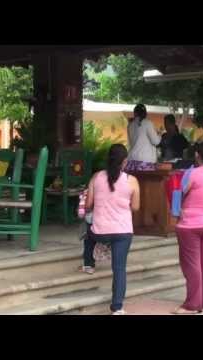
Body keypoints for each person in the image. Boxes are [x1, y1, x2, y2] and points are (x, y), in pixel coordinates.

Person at [82, 144, 140, 315]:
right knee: (119, 269)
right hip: (123, 232)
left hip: (101, 231)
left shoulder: (96, 177)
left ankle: (89, 263)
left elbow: (88, 205)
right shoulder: (132, 181)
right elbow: (135, 207)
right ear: (125, 162)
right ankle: (117, 308)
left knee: (88, 233)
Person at [173, 142, 203, 314]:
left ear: (197, 155)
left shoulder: (191, 173)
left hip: (190, 225)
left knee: (191, 265)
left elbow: (179, 193)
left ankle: (193, 305)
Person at [126, 104, 161, 171]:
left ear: (135, 113)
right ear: (145, 113)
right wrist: (159, 135)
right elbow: (156, 141)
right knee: (146, 181)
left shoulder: (130, 125)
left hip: (132, 161)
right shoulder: (147, 123)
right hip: (145, 161)